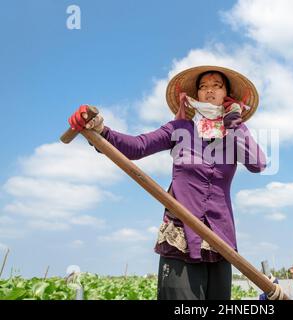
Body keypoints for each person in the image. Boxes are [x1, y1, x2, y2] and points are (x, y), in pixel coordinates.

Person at [68, 66, 267, 300]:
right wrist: (100, 129)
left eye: (217, 86)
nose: (209, 91)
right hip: (181, 241)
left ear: (227, 96)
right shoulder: (179, 129)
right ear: (196, 96)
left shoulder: (233, 136)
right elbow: (137, 146)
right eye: (203, 87)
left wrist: (234, 122)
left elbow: (258, 164)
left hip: (221, 244)